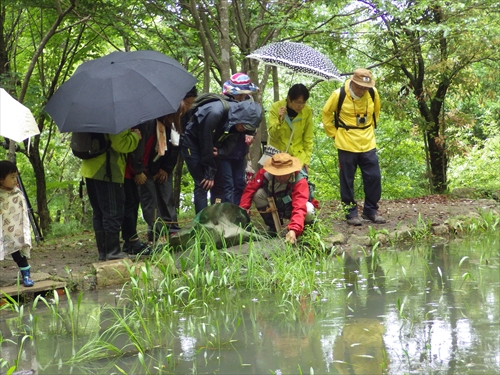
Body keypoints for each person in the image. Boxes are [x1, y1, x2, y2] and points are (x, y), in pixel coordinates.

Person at [322, 68, 385, 226]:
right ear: (353, 82)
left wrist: (370, 128)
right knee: (347, 180)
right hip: (346, 142)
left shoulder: (373, 93)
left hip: (368, 141)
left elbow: (376, 111)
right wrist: (334, 134)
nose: (363, 90)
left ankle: (371, 210)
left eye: (366, 87)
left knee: (374, 177)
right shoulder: (339, 95)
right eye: (360, 87)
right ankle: (351, 213)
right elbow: (326, 114)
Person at [181, 98, 263, 214]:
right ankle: (202, 223)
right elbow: (205, 142)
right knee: (203, 182)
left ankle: (218, 219)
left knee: (219, 183)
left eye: (247, 128)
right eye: (244, 125)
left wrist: (220, 152)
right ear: (240, 117)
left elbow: (231, 142)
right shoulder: (215, 113)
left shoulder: (237, 122)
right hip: (193, 143)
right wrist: (209, 172)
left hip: (211, 146)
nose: (244, 129)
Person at [138, 89, 196, 244]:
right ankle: (156, 232)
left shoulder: (177, 121)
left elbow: (175, 146)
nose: (189, 107)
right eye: (188, 103)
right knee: (150, 200)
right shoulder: (151, 120)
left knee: (166, 196)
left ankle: (172, 229)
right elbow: (146, 148)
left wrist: (166, 168)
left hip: (164, 165)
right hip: (147, 167)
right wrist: (150, 169)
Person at [82, 129, 141, 261]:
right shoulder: (115, 118)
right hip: (107, 171)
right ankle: (113, 251)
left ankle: (103, 252)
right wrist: (135, 137)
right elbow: (120, 144)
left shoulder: (93, 117)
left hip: (90, 169)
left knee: (99, 212)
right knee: (113, 211)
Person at [239, 153, 315, 245]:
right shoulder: (265, 173)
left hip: (293, 206)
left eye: (284, 174)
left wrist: (294, 229)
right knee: (258, 195)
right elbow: (250, 189)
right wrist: (243, 210)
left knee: (309, 209)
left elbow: (299, 207)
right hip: (276, 202)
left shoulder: (300, 181)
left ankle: (305, 230)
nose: (281, 177)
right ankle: (273, 227)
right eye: (278, 174)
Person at [211, 73, 259, 205]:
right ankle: (227, 213)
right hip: (224, 151)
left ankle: (239, 211)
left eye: (244, 93)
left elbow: (252, 124)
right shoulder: (223, 103)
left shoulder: (249, 101)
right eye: (239, 93)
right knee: (228, 184)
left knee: (240, 182)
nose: (242, 96)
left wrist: (250, 133)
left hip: (240, 150)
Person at [0, 160, 34, 286]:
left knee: (18, 253)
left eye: (16, 177)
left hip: (12, 232)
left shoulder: (16, 193)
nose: (15, 180)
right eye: (12, 177)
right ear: (1, 179)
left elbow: (22, 212)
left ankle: (26, 275)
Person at [266, 84, 313, 168]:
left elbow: (308, 138)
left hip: (297, 156)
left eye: (304, 102)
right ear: (289, 99)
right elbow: (273, 135)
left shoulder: (307, 111)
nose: (301, 106)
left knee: (302, 180)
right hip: (277, 156)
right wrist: (279, 120)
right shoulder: (276, 107)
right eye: (298, 103)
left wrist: (306, 161)